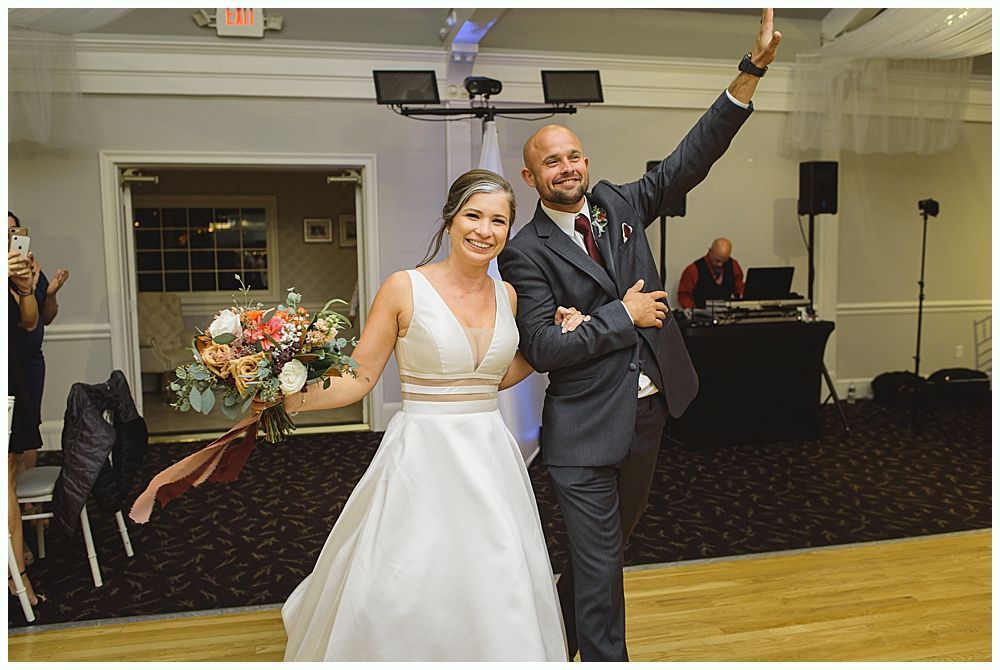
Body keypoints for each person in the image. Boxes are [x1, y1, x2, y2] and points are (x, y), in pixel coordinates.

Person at [497, 10, 782, 661]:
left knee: (602, 556)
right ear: (530, 177)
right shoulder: (525, 253)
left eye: (572, 156)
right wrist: (620, 316)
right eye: (550, 162)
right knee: (602, 569)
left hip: (647, 416)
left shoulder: (621, 205)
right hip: (582, 431)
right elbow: (543, 349)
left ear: (586, 161)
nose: (565, 167)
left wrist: (752, 70)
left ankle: (551, 646)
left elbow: (694, 154)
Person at [270, 169, 587, 661]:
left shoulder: (508, 296)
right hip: (423, 453)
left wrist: (560, 340)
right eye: (474, 216)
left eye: (498, 221)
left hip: (489, 453)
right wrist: (286, 397)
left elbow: (494, 378)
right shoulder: (405, 287)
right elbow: (359, 377)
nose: (485, 230)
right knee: (412, 574)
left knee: (494, 573)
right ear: (451, 218)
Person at [8, 212, 70, 479]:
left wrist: (50, 293)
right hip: (11, 362)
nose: (10, 237)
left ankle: (28, 500)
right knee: (12, 437)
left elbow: (44, 317)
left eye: (14, 231)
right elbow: (22, 323)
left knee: (30, 423)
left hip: (33, 360)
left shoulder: (30, 269)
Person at [7, 234, 45, 608]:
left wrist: (24, 288)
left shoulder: (11, 274)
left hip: (10, 374)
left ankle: (18, 579)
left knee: (8, 482)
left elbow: (29, 323)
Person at [676, 236, 745, 309]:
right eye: (717, 260)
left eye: (724, 261)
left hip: (726, 313)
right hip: (701, 314)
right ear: (710, 252)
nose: (720, 264)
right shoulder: (693, 270)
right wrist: (694, 311)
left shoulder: (733, 266)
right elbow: (684, 296)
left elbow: (740, 288)